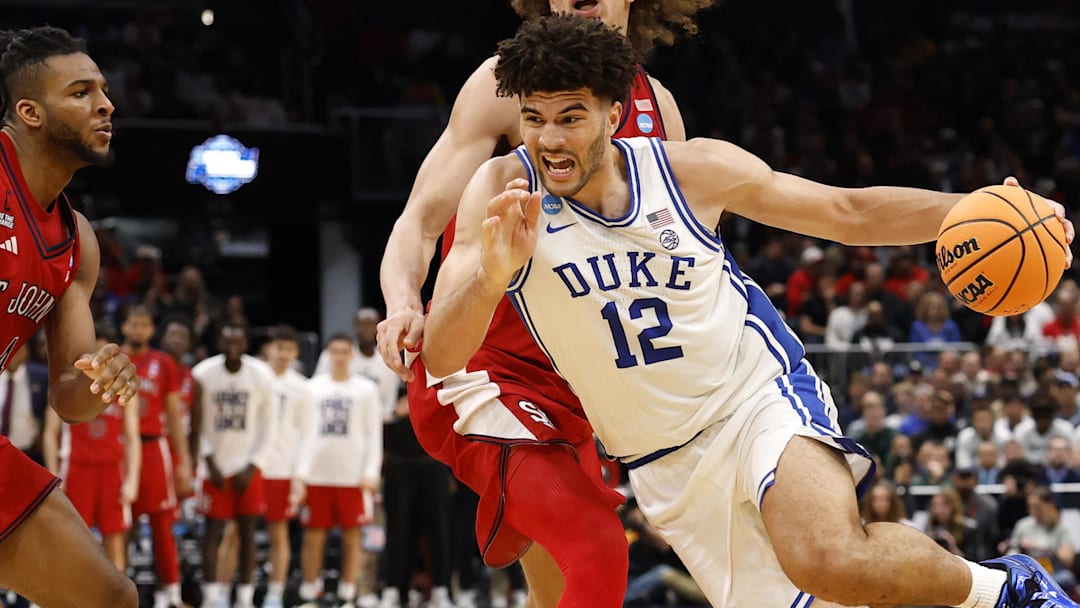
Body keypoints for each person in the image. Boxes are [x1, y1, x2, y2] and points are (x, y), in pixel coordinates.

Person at [421, 15, 1080, 608]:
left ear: (614, 110)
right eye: (535, 118)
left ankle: (1006, 588)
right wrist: (489, 278)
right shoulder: (502, 191)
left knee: (829, 559)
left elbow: (844, 213)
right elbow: (442, 356)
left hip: (753, 393)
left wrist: (979, 208)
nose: (549, 138)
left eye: (571, 117)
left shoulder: (692, 171)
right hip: (664, 460)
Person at [377, 1, 710, 602]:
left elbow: (674, 273)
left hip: (578, 386)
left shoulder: (657, 109)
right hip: (483, 367)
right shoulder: (507, 82)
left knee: (556, 593)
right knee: (596, 550)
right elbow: (421, 222)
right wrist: (402, 302)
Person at [0, 26, 140, 608]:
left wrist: (100, 378)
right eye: (81, 92)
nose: (106, 104)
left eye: (103, 90)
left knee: (109, 598)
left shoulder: (77, 242)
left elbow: (69, 399)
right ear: (29, 111)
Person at [295, 334, 382, 608]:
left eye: (345, 351)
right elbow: (303, 433)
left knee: (352, 536)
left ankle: (347, 593)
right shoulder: (312, 388)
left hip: (353, 475)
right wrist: (299, 474)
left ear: (351, 355)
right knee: (314, 535)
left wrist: (371, 471)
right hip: (317, 474)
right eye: (335, 351)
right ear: (327, 355)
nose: (340, 356)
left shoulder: (366, 390)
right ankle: (310, 592)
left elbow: (374, 434)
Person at [43, 328, 141, 571]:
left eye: (105, 356)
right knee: (74, 542)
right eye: (95, 354)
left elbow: (132, 437)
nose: (100, 360)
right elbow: (49, 434)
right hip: (77, 469)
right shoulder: (68, 386)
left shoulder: (123, 385)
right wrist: (54, 474)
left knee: (115, 540)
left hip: (111, 471)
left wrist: (132, 481)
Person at [193, 322, 276, 608]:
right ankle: (211, 598)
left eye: (237, 342)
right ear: (220, 342)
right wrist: (208, 459)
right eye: (227, 342)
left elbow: (269, 422)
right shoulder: (202, 373)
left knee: (248, 534)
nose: (232, 347)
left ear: (245, 344)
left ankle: (244, 598)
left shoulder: (261, 375)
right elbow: (194, 421)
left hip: (247, 467)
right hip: (213, 468)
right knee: (212, 534)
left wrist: (253, 464)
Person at [120, 303, 193, 608]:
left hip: (153, 448)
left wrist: (185, 462)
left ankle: (171, 595)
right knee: (120, 526)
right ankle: (114, 590)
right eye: (133, 324)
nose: (138, 330)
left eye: (144, 325)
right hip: (120, 450)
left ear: (152, 330)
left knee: (162, 524)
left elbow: (175, 417)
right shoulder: (113, 359)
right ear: (124, 326)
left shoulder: (163, 363)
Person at [259, 325, 313, 608]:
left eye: (288, 350)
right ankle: (229, 592)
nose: (282, 354)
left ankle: (274, 594)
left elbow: (307, 434)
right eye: (278, 348)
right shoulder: (255, 377)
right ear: (270, 349)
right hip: (251, 467)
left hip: (282, 468)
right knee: (235, 531)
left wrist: (299, 476)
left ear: (295, 353)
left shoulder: (302, 387)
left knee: (278, 533)